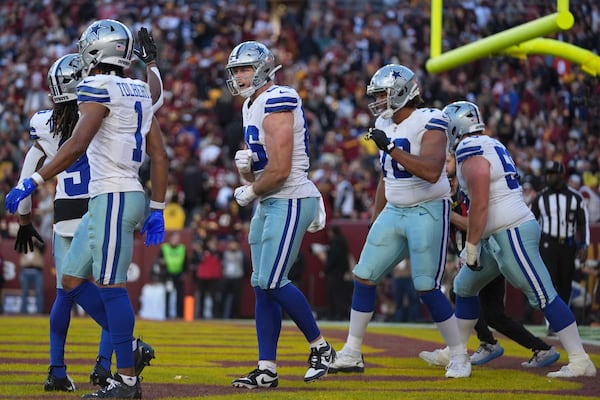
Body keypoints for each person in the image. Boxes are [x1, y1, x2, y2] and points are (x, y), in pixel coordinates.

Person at [5, 19, 169, 398]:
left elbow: (77, 144)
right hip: (110, 197)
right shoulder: (139, 90)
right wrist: (156, 205)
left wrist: (33, 180)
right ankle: (127, 352)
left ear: (96, 51)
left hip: (113, 195)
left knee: (112, 288)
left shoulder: (96, 86)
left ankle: (126, 380)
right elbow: (158, 154)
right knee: (72, 281)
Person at [329, 64, 470, 378]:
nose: (378, 100)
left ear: (404, 92)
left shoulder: (431, 119)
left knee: (426, 287)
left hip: (427, 209)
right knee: (364, 275)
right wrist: (376, 218)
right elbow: (386, 176)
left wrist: (390, 147)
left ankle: (459, 355)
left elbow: (433, 170)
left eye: (383, 93)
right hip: (394, 210)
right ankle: (352, 351)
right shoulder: (384, 122)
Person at [445, 100, 596, 378]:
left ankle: (579, 358)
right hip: (499, 232)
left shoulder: (469, 148)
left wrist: (472, 245)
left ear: (456, 127)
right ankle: (455, 350)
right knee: (465, 285)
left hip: (510, 230)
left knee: (543, 294)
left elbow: (480, 203)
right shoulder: (492, 143)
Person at [226, 40, 334, 389]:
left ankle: (321, 347)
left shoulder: (277, 98)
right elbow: (264, 169)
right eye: (236, 70)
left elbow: (282, 169)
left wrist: (250, 189)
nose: (239, 76)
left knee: (272, 280)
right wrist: (247, 173)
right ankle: (266, 368)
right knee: (261, 285)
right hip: (271, 200)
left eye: (244, 68)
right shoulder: (251, 104)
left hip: (288, 198)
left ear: (261, 68)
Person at [420, 153, 560, 368]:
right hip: (477, 255)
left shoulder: (466, 194)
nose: (446, 184)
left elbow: (474, 223)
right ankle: (538, 348)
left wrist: (449, 215)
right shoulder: (448, 197)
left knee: (461, 292)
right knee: (493, 314)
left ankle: (465, 348)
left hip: (489, 252)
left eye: (449, 178)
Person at [530, 161, 590, 318]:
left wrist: (584, 245)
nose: (548, 177)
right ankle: (552, 321)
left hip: (568, 245)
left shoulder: (575, 197)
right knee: (550, 283)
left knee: (565, 284)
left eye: (552, 174)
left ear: (560, 175)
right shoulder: (540, 198)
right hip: (548, 244)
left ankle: (563, 318)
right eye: (547, 174)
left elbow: (583, 223)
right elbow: (531, 222)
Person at [157, 231, 187, 318]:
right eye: (174, 238)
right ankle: (167, 314)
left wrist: (184, 273)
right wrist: (161, 262)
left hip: (179, 274)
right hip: (168, 275)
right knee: (168, 294)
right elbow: (159, 259)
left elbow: (186, 261)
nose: (175, 240)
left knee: (180, 295)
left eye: (177, 239)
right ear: (170, 239)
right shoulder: (164, 248)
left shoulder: (182, 248)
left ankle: (179, 315)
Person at [19, 238, 45, 314]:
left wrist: (36, 241)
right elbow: (18, 249)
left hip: (37, 270)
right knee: (24, 292)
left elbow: (43, 249)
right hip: (25, 270)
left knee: (39, 292)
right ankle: (24, 312)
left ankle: (39, 312)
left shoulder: (40, 241)